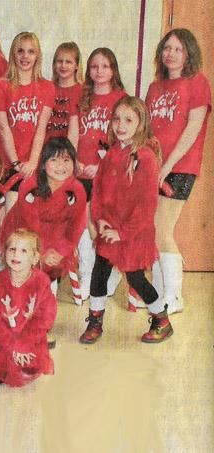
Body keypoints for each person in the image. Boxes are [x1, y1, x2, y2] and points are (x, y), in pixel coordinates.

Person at [80, 96, 172, 344]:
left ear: (141, 124)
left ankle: (162, 320)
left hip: (133, 233)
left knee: (136, 278)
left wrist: (123, 232)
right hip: (109, 229)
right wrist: (99, 219)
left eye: (128, 120)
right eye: (116, 119)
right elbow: (98, 190)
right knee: (99, 274)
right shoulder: (112, 153)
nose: (120, 125)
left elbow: (146, 204)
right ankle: (95, 322)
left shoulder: (145, 158)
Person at [146, 28, 211, 315]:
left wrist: (167, 165)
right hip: (155, 167)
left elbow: (193, 129)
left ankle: (174, 297)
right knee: (153, 230)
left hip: (180, 167)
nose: (171, 53)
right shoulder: (154, 87)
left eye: (178, 49)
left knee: (163, 230)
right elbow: (148, 131)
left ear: (188, 54)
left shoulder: (197, 82)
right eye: (167, 48)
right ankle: (159, 293)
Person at [0, 137, 87, 293]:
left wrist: (60, 251)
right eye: (54, 160)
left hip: (58, 238)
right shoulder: (29, 187)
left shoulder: (77, 189)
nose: (61, 166)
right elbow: (28, 227)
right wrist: (42, 253)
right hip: (23, 234)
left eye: (66, 160)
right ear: (43, 164)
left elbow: (77, 226)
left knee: (47, 288)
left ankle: (48, 283)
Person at [75, 48, 127, 300]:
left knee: (105, 224)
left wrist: (102, 166)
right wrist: (74, 161)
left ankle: (111, 272)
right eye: (94, 66)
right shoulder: (83, 97)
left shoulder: (121, 99)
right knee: (84, 225)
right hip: (81, 174)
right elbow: (74, 133)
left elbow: (125, 142)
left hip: (109, 176)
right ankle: (87, 274)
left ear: (114, 70)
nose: (99, 71)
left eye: (105, 66)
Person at [0, 229, 56, 387]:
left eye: (24, 251)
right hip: (3, 340)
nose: (16, 255)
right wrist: (13, 346)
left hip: (29, 338)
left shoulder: (42, 282)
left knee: (30, 370)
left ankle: (23, 358)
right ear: (5, 253)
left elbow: (45, 317)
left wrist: (24, 344)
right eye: (12, 249)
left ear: (35, 258)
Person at [0, 32, 55, 207]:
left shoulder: (47, 87)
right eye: (20, 51)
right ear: (13, 53)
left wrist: (32, 162)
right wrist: (16, 163)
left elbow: (41, 128)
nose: (25, 56)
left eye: (30, 51)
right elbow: (3, 128)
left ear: (37, 55)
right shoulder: (0, 85)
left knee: (32, 213)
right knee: (10, 211)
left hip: (35, 164)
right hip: (8, 162)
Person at [46, 42, 82, 147]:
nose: (63, 65)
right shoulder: (47, 88)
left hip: (70, 148)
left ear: (77, 65)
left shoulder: (83, 91)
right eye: (60, 61)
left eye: (68, 62)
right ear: (54, 64)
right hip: (47, 148)